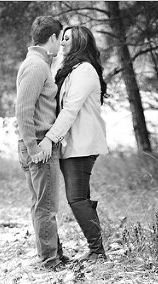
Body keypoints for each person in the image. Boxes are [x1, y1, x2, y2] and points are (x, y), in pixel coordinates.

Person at [40, 25, 109, 262]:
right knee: (82, 197)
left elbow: (70, 110)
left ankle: (98, 252)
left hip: (82, 144)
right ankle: (97, 249)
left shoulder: (85, 71)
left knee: (76, 198)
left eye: (67, 39)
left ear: (79, 43)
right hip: (73, 144)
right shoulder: (70, 70)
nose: (62, 42)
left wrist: (50, 138)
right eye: (62, 38)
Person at [15, 15, 68, 271]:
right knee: (46, 207)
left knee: (41, 204)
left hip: (37, 144)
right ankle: (50, 261)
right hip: (38, 146)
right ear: (53, 37)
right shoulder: (36, 66)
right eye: (61, 38)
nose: (61, 44)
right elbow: (23, 111)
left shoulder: (38, 63)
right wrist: (35, 148)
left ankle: (52, 254)